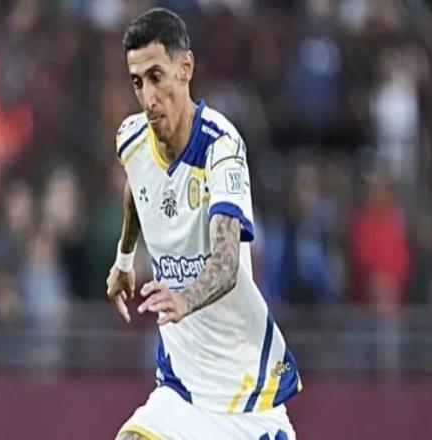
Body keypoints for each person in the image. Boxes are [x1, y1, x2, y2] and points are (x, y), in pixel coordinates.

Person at [106, 8, 302, 440]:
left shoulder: (222, 148)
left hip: (245, 395)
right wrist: (124, 259)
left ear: (185, 68)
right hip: (180, 390)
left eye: (156, 77)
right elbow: (137, 186)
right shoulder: (132, 139)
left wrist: (183, 299)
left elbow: (227, 263)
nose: (148, 97)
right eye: (137, 82)